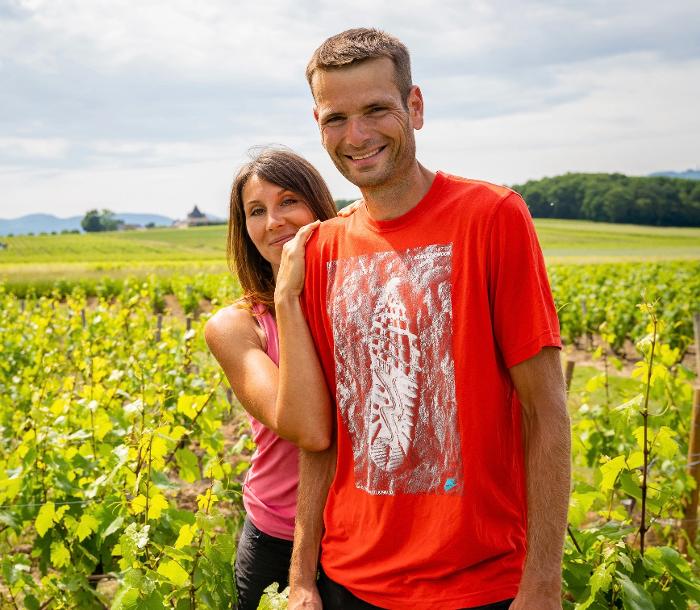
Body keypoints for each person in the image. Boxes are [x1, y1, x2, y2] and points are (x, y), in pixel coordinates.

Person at [286, 29, 572, 610]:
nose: (357, 136)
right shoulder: (322, 248)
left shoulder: (492, 217)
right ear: (317, 123)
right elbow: (325, 435)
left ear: (415, 108)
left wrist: (542, 582)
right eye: (336, 118)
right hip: (347, 583)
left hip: (477, 588)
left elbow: (546, 412)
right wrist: (301, 578)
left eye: (376, 110)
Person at [204, 148, 336, 610]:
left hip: (363, 535)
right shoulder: (234, 326)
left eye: (288, 201)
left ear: (319, 208)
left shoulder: (356, 299)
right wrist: (287, 295)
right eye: (256, 211)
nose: (274, 221)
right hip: (278, 538)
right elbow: (309, 430)